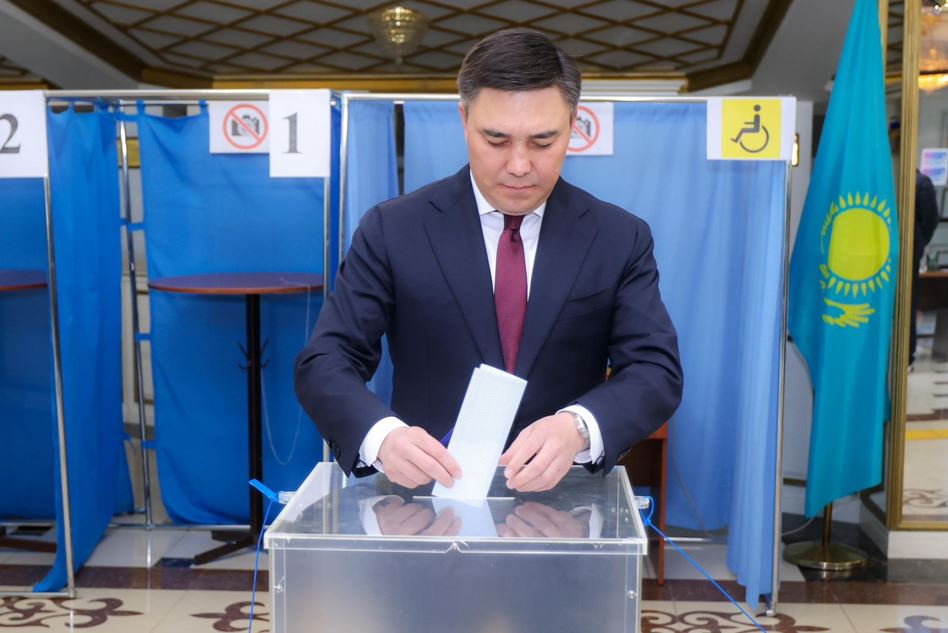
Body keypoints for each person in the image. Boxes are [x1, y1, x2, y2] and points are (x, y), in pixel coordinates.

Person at [295, 28, 683, 493]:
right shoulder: (394, 230)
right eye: (496, 140)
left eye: (542, 142)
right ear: (463, 121)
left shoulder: (617, 237)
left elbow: (654, 369)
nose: (519, 166)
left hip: (562, 500)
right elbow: (326, 360)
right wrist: (383, 437)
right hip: (425, 499)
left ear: (573, 125)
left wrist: (578, 427)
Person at [910, 169, 940, 366]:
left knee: (907, 303)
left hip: (909, 250)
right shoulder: (921, 183)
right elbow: (930, 220)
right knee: (908, 303)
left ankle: (907, 354)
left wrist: (918, 242)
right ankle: (906, 354)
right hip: (911, 248)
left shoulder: (919, 183)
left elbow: (930, 220)